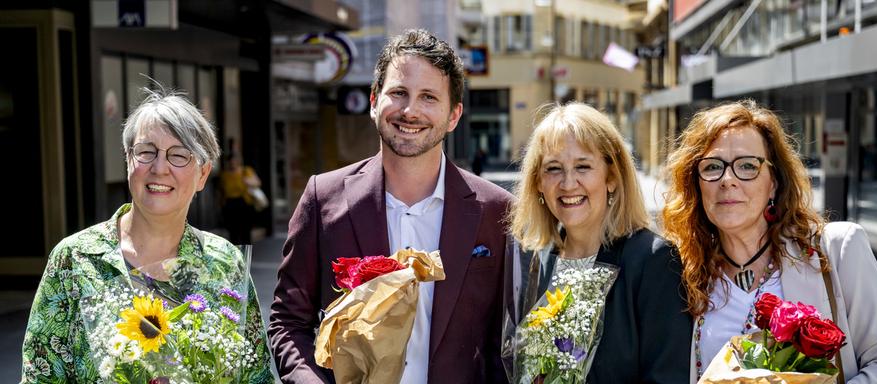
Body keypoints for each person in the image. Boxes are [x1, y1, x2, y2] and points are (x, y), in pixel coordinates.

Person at [268, 29, 514, 383]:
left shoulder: (496, 210)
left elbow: (507, 341)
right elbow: (289, 322)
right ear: (374, 102)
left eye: (429, 97)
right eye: (398, 93)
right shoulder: (324, 197)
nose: (410, 111)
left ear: (454, 115)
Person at [20, 87, 273, 382]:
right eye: (146, 152)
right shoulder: (75, 258)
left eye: (179, 155)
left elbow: (256, 376)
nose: (160, 168)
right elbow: (41, 375)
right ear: (128, 161)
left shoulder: (225, 262)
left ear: (202, 174)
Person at [659, 100, 877, 383]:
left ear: (774, 183)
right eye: (712, 167)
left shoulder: (837, 250)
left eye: (747, 166)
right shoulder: (684, 273)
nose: (727, 180)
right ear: (696, 183)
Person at [507, 102, 692, 382]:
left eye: (583, 166)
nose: (568, 184)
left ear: (612, 177)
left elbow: (669, 376)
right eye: (553, 169)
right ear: (538, 184)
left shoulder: (652, 260)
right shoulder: (536, 259)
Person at [220, 153, 259, 244]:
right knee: (233, 231)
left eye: (234, 161)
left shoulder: (246, 171)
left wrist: (249, 181)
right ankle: (235, 254)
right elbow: (221, 191)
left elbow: (257, 183)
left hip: (244, 203)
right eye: (230, 162)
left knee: (246, 230)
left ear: (238, 162)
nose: (232, 163)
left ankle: (247, 253)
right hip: (230, 204)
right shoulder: (224, 175)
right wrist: (221, 205)